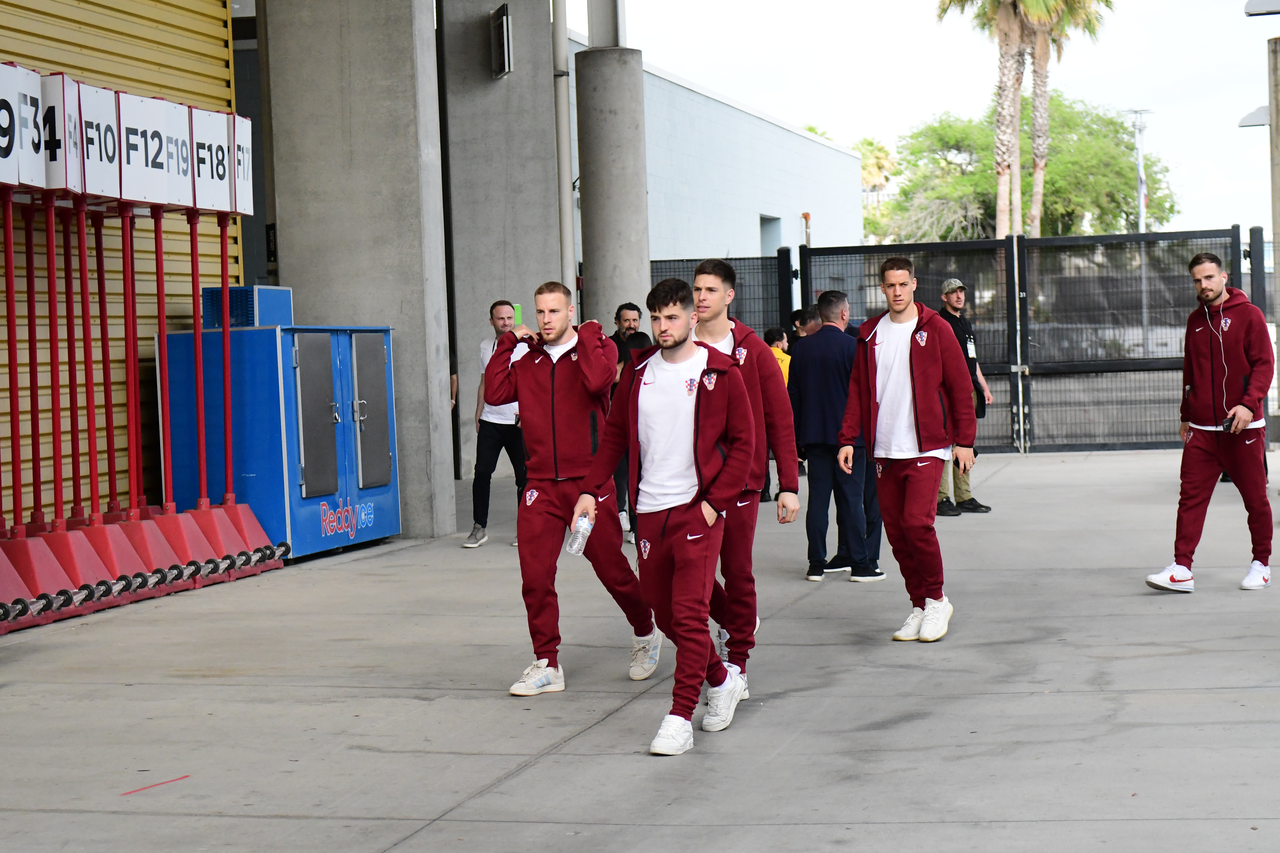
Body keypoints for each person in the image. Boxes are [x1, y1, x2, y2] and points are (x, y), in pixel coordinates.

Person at [573, 278, 755, 756]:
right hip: (649, 512)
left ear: (693, 317)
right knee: (662, 610)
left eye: (671, 317)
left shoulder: (721, 371)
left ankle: (679, 716)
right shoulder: (637, 372)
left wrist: (714, 504)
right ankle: (721, 678)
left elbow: (744, 444)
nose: (662, 327)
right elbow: (613, 437)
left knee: (690, 615)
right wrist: (593, 490)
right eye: (655, 318)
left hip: (698, 510)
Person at [484, 282, 662, 696]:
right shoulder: (526, 361)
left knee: (613, 570)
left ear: (570, 312)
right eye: (540, 312)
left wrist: (589, 335)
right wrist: (509, 340)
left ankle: (645, 630)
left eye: (554, 312)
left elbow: (600, 382)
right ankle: (547, 662)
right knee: (535, 576)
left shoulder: (596, 349)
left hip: (589, 481)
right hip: (541, 483)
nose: (545, 320)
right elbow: (495, 392)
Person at [837, 257, 976, 643]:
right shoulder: (869, 334)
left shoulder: (936, 328)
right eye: (890, 285)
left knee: (918, 524)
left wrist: (965, 440)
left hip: (926, 445)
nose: (897, 291)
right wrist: (848, 438)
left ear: (914, 284)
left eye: (903, 284)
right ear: (883, 288)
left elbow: (960, 386)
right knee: (897, 533)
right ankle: (919, 604)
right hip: (884, 449)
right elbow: (857, 392)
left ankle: (937, 601)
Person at [690, 260, 800, 689]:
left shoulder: (753, 350)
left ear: (729, 296)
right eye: (697, 289)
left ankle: (738, 660)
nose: (701, 297)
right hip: (689, 484)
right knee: (687, 573)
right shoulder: (681, 344)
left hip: (742, 482)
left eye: (711, 290)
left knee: (736, 571)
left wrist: (788, 485)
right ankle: (735, 619)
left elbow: (780, 419)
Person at [1146, 253, 1274, 594]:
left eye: (1209, 278)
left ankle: (1261, 564)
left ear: (1223, 276)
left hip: (1242, 429)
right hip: (1202, 431)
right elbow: (1191, 370)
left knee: (1255, 499)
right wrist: (1186, 413)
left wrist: (1249, 405)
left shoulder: (1249, 315)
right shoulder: (1195, 320)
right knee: (1190, 498)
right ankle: (1181, 569)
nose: (1203, 285)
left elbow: (1264, 364)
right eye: (1197, 280)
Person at [789, 290, 883, 583]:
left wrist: (797, 439)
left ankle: (816, 563)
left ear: (820, 314)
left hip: (814, 437)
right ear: (844, 313)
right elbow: (866, 394)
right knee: (852, 499)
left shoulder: (801, 348)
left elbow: (793, 395)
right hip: (849, 439)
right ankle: (860, 563)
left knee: (817, 500)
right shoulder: (853, 347)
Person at [465, 301, 529, 549]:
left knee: (523, 477)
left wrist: (527, 412)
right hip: (491, 420)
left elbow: (529, 382)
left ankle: (523, 530)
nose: (506, 323)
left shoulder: (525, 346)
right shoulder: (485, 346)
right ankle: (479, 527)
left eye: (509, 318)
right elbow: (485, 381)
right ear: (491, 321)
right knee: (482, 473)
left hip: (516, 421)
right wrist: (479, 410)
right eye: (500, 319)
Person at [936, 279, 993, 516]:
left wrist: (984, 387)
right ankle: (940, 499)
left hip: (969, 388)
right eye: (953, 292)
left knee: (965, 443)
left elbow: (973, 360)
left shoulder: (965, 323)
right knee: (946, 442)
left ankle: (964, 496)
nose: (959, 296)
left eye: (961, 291)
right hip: (950, 390)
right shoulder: (940, 323)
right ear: (944, 297)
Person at [610, 302, 652, 541]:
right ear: (617, 322)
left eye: (634, 320)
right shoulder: (609, 344)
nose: (631, 325)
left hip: (642, 419)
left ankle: (636, 523)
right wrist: (631, 363)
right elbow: (608, 376)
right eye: (626, 321)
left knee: (639, 470)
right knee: (620, 470)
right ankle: (620, 510)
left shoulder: (645, 341)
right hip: (616, 417)